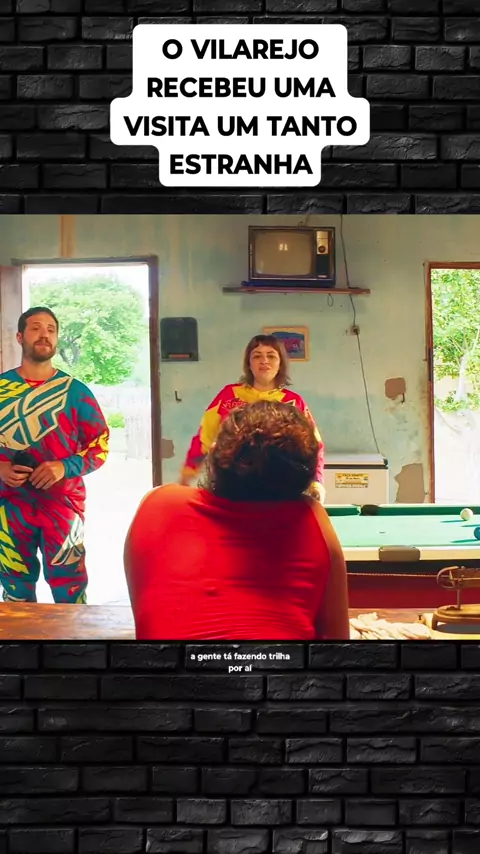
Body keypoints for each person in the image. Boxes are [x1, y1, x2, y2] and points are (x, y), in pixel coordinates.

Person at [124, 400, 349, 640]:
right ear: (307, 477)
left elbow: (149, 614)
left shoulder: (157, 505)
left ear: (214, 454)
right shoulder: (312, 519)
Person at [0, 306, 109, 604]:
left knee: (70, 589)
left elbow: (100, 446)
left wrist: (64, 467)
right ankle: (20, 637)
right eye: (36, 328)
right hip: (9, 508)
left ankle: (73, 637)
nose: (44, 334)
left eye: (51, 329)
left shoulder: (76, 392)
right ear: (20, 337)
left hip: (63, 507)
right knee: (15, 590)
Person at [179, 334, 326, 502]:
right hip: (233, 486)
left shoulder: (293, 402)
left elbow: (314, 445)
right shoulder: (229, 396)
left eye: (271, 356)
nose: (264, 361)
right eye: (257, 356)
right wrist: (188, 472)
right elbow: (204, 437)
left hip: (281, 486)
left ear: (281, 363)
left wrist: (316, 482)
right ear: (248, 363)